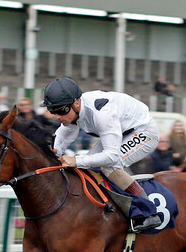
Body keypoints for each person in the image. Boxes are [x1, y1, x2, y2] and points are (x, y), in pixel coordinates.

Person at [45, 77, 162, 232]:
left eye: (61, 111)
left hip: (144, 132)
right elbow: (63, 136)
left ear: (76, 103)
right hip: (124, 132)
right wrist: (54, 152)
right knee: (90, 167)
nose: (57, 116)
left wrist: (75, 160)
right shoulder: (75, 111)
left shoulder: (103, 114)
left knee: (108, 166)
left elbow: (111, 157)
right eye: (53, 111)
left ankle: (148, 212)